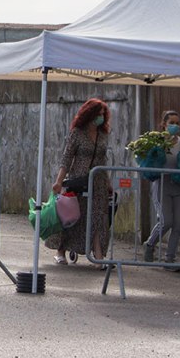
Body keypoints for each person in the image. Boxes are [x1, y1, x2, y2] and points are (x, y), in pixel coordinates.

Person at [48, 98, 112, 268]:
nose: (101, 118)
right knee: (71, 217)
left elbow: (103, 160)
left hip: (98, 181)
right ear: (88, 114)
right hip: (78, 180)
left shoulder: (103, 135)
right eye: (98, 114)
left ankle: (98, 257)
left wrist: (108, 183)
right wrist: (59, 181)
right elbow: (67, 157)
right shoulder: (77, 133)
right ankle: (60, 251)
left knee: (99, 217)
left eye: (103, 115)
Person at [143, 110, 180, 271]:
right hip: (162, 183)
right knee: (166, 220)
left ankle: (170, 259)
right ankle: (150, 244)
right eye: (172, 123)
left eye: (177, 123)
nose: (175, 126)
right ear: (164, 124)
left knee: (178, 223)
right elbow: (146, 159)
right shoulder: (157, 142)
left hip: (179, 185)